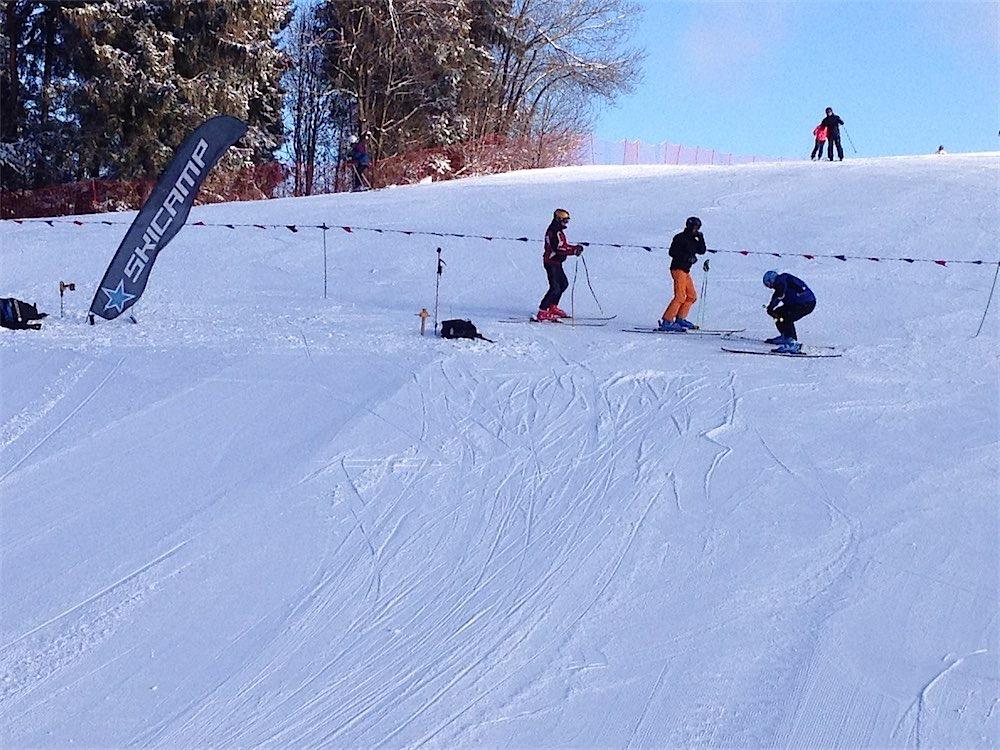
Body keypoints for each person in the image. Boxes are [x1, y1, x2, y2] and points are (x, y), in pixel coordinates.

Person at [658, 216, 707, 331]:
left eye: (698, 228)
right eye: (695, 227)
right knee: (680, 296)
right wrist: (687, 257)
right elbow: (672, 252)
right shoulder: (680, 237)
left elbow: (702, 251)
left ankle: (680, 318)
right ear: (689, 226)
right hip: (677, 268)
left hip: (685, 270)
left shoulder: (694, 239)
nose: (696, 229)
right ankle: (667, 321)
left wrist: (701, 238)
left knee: (691, 296)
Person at [536, 209, 583, 321]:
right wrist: (573, 251)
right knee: (555, 287)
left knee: (563, 284)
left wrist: (574, 248)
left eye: (567, 221)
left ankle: (552, 306)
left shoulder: (558, 231)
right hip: (551, 262)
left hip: (556, 262)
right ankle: (542, 311)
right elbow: (558, 248)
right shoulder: (554, 231)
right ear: (558, 219)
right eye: (564, 221)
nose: (566, 223)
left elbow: (563, 245)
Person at [762, 270, 816, 353]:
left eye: (768, 284)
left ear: (771, 280)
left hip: (805, 303)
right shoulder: (783, 279)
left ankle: (793, 343)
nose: (770, 287)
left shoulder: (780, 281)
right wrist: (771, 308)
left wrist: (770, 307)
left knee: (787, 317)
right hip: (799, 302)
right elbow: (778, 294)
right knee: (778, 313)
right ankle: (785, 336)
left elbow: (779, 295)